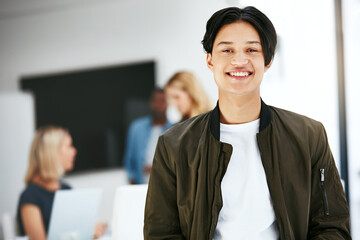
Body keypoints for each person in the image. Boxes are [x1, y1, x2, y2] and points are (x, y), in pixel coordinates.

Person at [144, 6, 351, 239]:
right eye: (227, 50)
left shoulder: (309, 136)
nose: (239, 60)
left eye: (252, 49)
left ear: (268, 60)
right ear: (210, 61)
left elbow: (332, 227)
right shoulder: (174, 145)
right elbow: (160, 234)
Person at [16, 126, 106, 240]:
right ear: (52, 152)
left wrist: (91, 230)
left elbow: (76, 229)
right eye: (69, 146)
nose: (74, 151)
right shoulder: (30, 197)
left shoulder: (66, 189)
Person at [124, 88, 172, 184]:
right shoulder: (136, 128)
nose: (158, 105)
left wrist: (156, 169)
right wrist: (132, 185)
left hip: (166, 188)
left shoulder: (174, 130)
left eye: (162, 101)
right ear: (151, 103)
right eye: (155, 101)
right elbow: (129, 161)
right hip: (141, 187)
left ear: (168, 103)